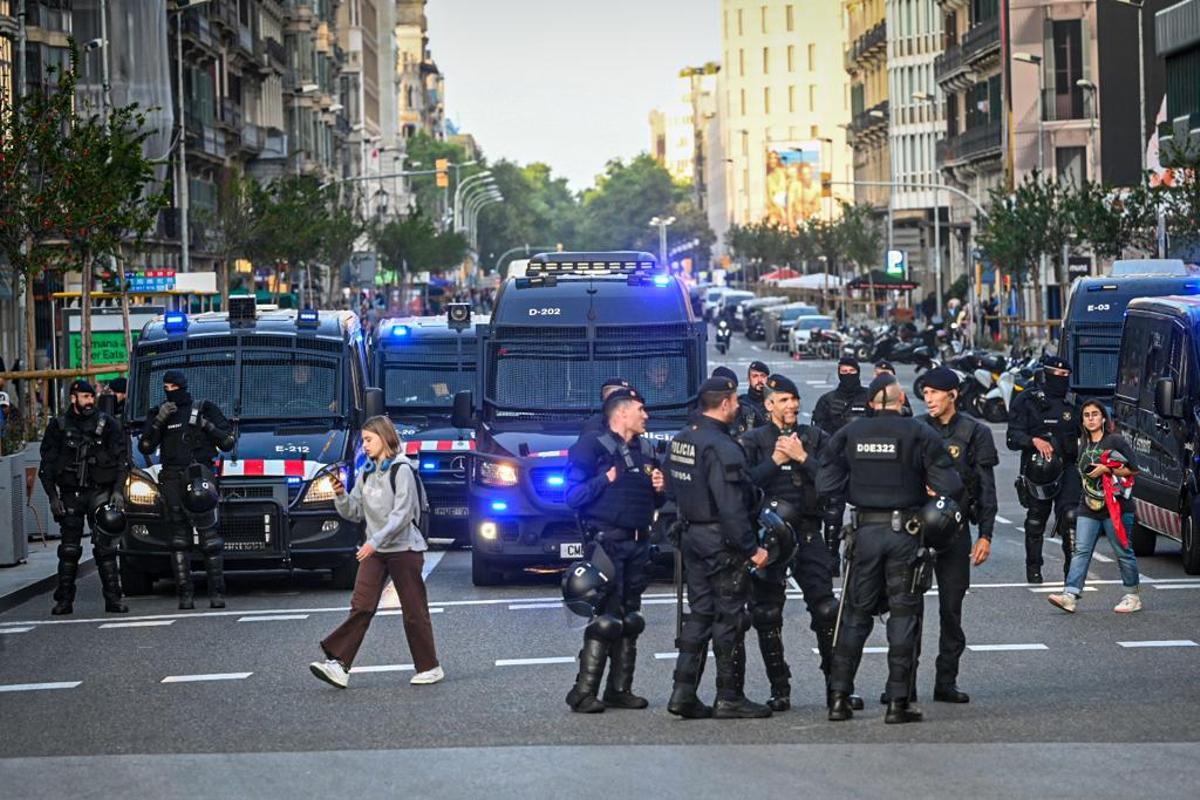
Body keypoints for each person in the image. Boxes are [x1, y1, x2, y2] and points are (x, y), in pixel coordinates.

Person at [819, 374, 962, 724]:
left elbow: (826, 484)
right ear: (901, 403)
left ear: (870, 403)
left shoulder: (850, 434)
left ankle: (839, 698)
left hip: (864, 533)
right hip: (904, 534)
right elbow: (950, 484)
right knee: (903, 615)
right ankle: (898, 703)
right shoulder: (918, 432)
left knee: (854, 615)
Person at [740, 373, 862, 712]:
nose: (791, 405)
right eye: (783, 400)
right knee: (766, 613)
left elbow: (834, 480)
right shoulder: (753, 440)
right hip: (769, 534)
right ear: (768, 405)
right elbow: (743, 485)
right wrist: (775, 461)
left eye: (793, 399)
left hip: (809, 531)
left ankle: (836, 687)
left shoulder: (814, 436)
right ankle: (780, 688)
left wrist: (802, 457)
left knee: (827, 610)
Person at [666, 375, 771, 720]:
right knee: (729, 618)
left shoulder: (682, 439)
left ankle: (683, 693)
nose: (739, 406)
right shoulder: (722, 447)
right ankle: (729, 696)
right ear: (725, 403)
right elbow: (730, 504)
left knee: (699, 615)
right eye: (736, 401)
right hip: (720, 541)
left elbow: (671, 489)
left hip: (691, 536)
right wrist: (749, 547)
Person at [310, 416, 442, 688]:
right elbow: (355, 512)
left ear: (385, 437)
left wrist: (374, 542)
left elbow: (402, 515)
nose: (364, 446)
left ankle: (430, 667)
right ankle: (339, 665)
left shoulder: (402, 469)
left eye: (369, 440)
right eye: (363, 441)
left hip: (404, 548)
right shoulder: (367, 472)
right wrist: (340, 495)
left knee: (414, 611)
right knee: (361, 606)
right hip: (376, 549)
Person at [563, 388, 665, 713]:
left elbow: (653, 499)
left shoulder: (646, 449)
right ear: (621, 413)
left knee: (630, 618)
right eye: (640, 409)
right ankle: (582, 692)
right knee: (605, 619)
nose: (646, 415)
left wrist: (661, 490)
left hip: (638, 542)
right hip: (605, 543)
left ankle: (620, 689)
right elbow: (572, 496)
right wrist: (604, 480)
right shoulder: (591, 447)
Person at [916, 367, 999, 704]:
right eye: (925, 393)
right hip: (917, 530)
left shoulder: (975, 431)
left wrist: (986, 536)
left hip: (957, 531)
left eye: (935, 392)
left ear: (952, 394)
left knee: (951, 609)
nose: (929, 398)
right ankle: (903, 683)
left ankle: (945, 681)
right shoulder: (916, 428)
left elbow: (987, 488)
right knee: (909, 609)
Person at [138, 370, 236, 609]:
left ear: (182, 386)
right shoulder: (159, 413)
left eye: (173, 386)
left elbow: (228, 442)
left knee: (209, 539)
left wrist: (207, 426)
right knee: (179, 541)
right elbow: (146, 446)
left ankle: (216, 593)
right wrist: (159, 421)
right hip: (172, 478)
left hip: (199, 475)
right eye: (166, 387)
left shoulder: (204, 408)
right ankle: (185, 595)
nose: (169, 391)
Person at [38, 380, 129, 615]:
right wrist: (52, 498)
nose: (90, 402)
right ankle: (64, 600)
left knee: (105, 548)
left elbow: (122, 461)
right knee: (69, 550)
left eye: (92, 397)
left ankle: (113, 599)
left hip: (99, 492)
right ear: (73, 398)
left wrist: (118, 490)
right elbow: (46, 466)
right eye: (85, 397)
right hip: (70, 495)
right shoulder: (58, 426)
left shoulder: (107, 424)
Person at [1048, 400, 1142, 614]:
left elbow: (1133, 470)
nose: (1090, 418)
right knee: (1081, 550)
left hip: (1116, 506)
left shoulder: (1115, 440)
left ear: (1103, 418)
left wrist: (1106, 469)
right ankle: (1070, 595)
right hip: (1088, 505)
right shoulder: (1083, 443)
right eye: (1086, 415)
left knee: (1123, 551)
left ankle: (1132, 595)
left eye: (1095, 414)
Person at [1007, 355, 1081, 583]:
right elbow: (1012, 436)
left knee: (1070, 516)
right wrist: (1034, 441)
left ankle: (1072, 570)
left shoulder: (1074, 400)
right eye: (1057, 376)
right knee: (1036, 518)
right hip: (1038, 468)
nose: (1062, 380)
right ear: (1045, 374)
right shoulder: (1026, 400)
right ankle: (1034, 568)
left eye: (1065, 376)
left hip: (1067, 465)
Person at [812, 357, 870, 435]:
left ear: (858, 372)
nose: (848, 374)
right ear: (839, 374)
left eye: (852, 371)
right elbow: (819, 429)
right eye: (844, 371)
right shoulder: (827, 400)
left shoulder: (870, 396)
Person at [732, 361, 770, 437]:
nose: (759, 380)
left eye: (762, 376)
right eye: (755, 376)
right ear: (749, 379)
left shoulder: (774, 403)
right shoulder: (741, 404)